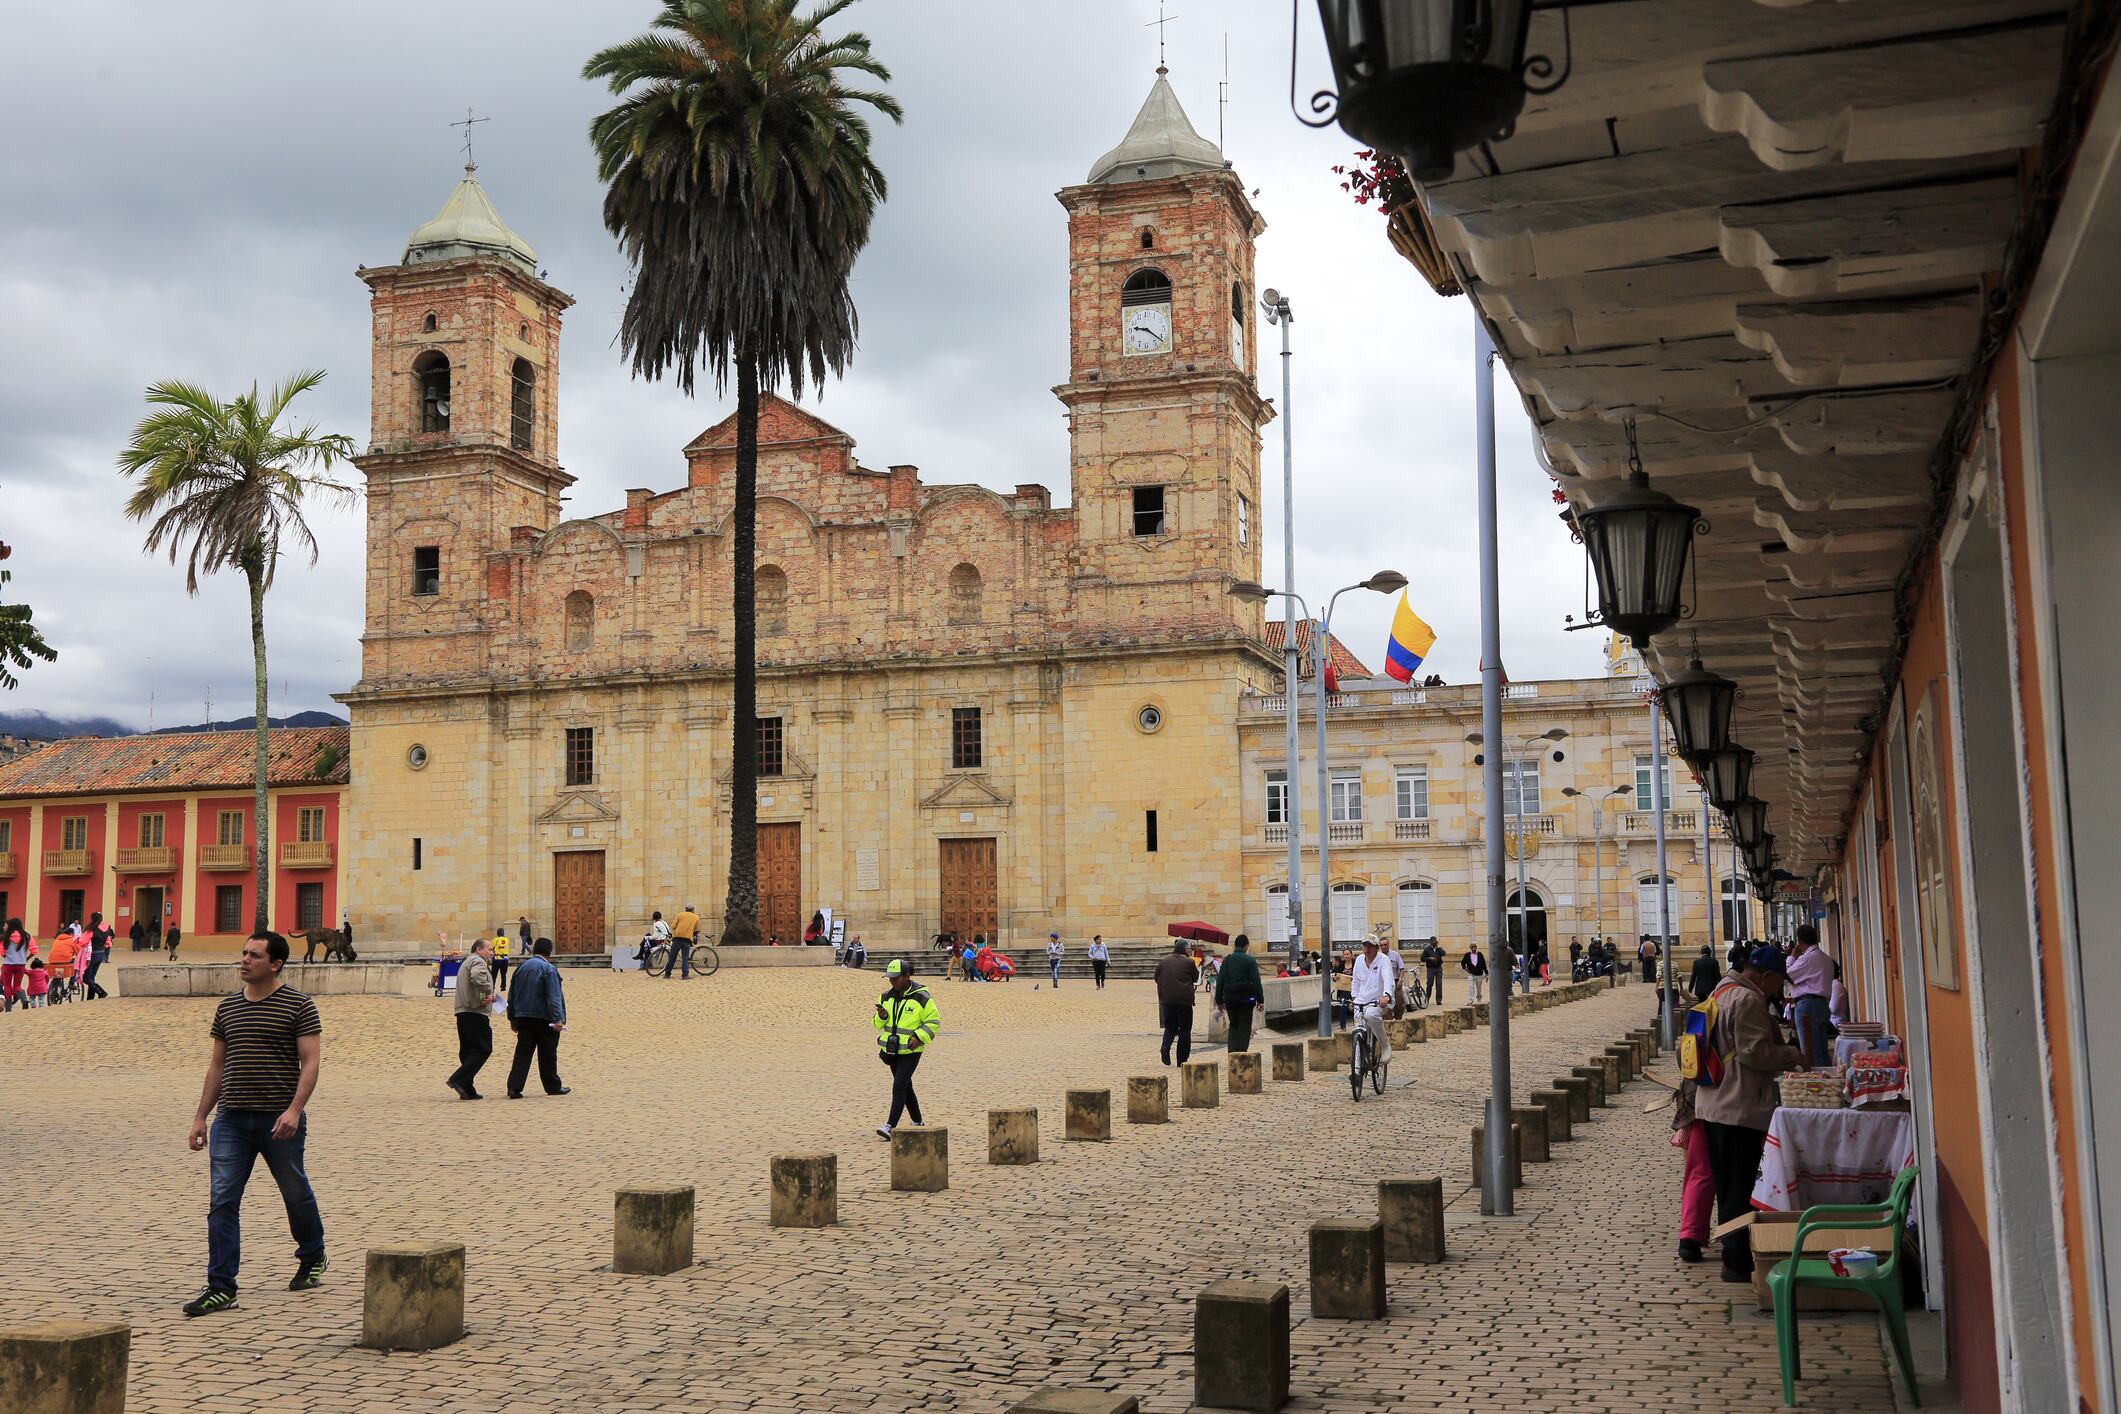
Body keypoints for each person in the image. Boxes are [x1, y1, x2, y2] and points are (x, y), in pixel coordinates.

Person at [183, 929, 326, 1317]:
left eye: (254, 955)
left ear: (276, 964)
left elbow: (310, 1063)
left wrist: (294, 1110)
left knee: (294, 1191)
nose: (244, 960)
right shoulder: (228, 1008)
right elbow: (217, 1065)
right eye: (244, 953)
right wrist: (201, 1116)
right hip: (231, 1118)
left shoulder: (298, 1005)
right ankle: (221, 1286)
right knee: (222, 1201)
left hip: (278, 1119)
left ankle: (313, 1256)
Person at [1695, 945, 1809, 1284]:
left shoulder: (1722, 990)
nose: (1780, 989)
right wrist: (1793, 1054)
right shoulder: (1747, 1000)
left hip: (1715, 1101)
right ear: (1766, 976)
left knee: (1729, 1186)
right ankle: (1738, 1262)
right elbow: (1754, 1053)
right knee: (1741, 1187)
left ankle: (1736, 1257)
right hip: (1738, 1106)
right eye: (1779, 982)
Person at [872, 959, 939, 1139]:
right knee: (905, 1086)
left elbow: (933, 1022)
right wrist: (881, 1016)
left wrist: (919, 1037)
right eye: (889, 978)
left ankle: (890, 1126)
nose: (891, 981)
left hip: (911, 1050)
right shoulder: (885, 997)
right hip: (892, 1050)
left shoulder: (922, 997)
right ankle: (917, 1121)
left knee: (899, 1085)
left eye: (895, 978)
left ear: (907, 976)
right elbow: (876, 1024)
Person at [503, 938, 569, 1099]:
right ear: (549, 952)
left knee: (522, 1054)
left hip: (524, 1017)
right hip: (544, 1018)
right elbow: (553, 997)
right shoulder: (549, 969)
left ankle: (514, 1087)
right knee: (548, 1054)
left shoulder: (521, 968)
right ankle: (552, 1086)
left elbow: (511, 995)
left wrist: (512, 1017)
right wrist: (558, 1019)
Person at [447, 938, 495, 1101]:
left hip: (463, 1010)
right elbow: (478, 979)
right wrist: (489, 993)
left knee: (467, 1051)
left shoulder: (468, 961)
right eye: (489, 949)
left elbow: (473, 984)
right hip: (474, 1011)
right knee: (484, 1047)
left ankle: (467, 1088)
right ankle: (458, 1079)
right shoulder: (478, 961)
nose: (492, 952)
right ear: (479, 949)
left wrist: (482, 995)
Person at [1784, 924, 1835, 1067]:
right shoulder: (1826, 959)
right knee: (1821, 1049)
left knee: (1810, 1051)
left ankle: (1817, 1083)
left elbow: (1788, 976)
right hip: (1822, 1005)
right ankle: (1827, 1079)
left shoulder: (1807, 958)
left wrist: (1791, 958)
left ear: (1799, 942)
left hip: (1807, 1005)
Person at [1349, 934, 1394, 1073]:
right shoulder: (1359, 960)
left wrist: (1386, 995)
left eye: (1370, 946)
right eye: (1364, 945)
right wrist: (1354, 998)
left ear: (1376, 947)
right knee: (1357, 1031)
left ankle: (1385, 1045)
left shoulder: (1383, 960)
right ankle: (1356, 1071)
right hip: (1361, 1001)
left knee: (1370, 1015)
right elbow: (1355, 981)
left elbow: (1388, 979)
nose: (1366, 949)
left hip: (1378, 1002)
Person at [1214, 934, 1265, 1053]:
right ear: (1246, 946)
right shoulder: (1250, 960)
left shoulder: (1227, 960)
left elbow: (1220, 980)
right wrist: (1260, 1000)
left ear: (1234, 945)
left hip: (1230, 998)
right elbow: (1256, 981)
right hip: (1246, 999)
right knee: (1245, 1025)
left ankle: (1232, 1052)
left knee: (1233, 1025)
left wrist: (1219, 1000)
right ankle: (1242, 1053)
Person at [1155, 940, 1196, 1066]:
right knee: (1184, 1030)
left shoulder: (1164, 961)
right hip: (1184, 1001)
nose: (1191, 951)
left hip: (1167, 1000)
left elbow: (1156, 977)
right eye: (1190, 948)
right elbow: (1195, 977)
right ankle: (1181, 1059)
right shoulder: (1189, 962)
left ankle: (1165, 1046)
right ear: (1184, 949)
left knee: (1170, 1026)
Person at [662, 904, 700, 980]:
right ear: (693, 909)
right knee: (685, 957)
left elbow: (673, 927)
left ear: (686, 909)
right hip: (687, 940)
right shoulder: (696, 917)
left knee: (672, 957)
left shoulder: (679, 915)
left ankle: (667, 974)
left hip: (677, 939)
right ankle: (685, 975)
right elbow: (696, 929)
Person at [5, 917, 35, 1010]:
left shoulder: (5, 936)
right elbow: (34, 950)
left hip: (8, 964)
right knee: (17, 986)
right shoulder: (27, 936)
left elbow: (2, 951)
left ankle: (8, 1008)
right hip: (21, 964)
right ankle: (24, 1000)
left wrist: (7, 956)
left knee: (7, 986)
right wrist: (26, 958)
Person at [83, 912, 112, 1000]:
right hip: (101, 954)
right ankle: (90, 997)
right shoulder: (106, 928)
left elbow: (82, 941)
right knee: (92, 976)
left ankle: (101, 992)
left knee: (86, 978)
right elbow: (108, 943)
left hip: (92, 954)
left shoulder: (91, 929)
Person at [1417, 938, 1445, 1006]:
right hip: (1430, 969)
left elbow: (1444, 954)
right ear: (1430, 942)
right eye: (1432, 941)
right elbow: (1422, 958)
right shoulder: (1427, 949)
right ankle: (1427, 998)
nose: (1434, 943)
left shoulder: (1439, 949)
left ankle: (1438, 1000)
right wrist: (1429, 958)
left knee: (1439, 984)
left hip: (1438, 968)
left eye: (1435, 941)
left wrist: (1439, 947)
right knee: (1429, 984)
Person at [1460, 940, 1488, 1005]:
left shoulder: (1480, 954)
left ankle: (1479, 998)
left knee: (1479, 988)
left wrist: (1486, 973)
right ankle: (1470, 1000)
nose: (1474, 948)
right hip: (1471, 974)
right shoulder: (1467, 955)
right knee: (1471, 987)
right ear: (1470, 948)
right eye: (1472, 947)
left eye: (1475, 947)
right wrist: (1466, 969)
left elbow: (1484, 964)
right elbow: (1463, 963)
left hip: (1479, 974)